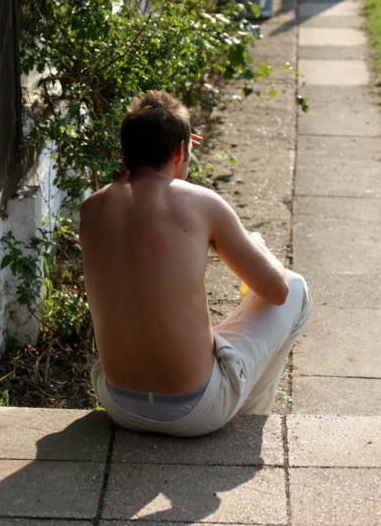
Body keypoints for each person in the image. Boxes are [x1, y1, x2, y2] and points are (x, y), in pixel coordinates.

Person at [79, 90, 312, 437]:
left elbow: (138, 210)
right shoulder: (202, 203)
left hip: (119, 405)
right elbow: (276, 291)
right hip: (195, 412)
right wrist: (257, 244)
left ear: (126, 151)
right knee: (295, 286)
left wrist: (175, 148)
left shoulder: (92, 209)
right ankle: (249, 417)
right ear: (180, 150)